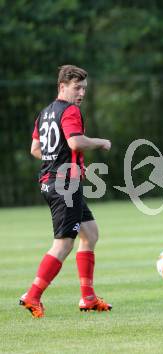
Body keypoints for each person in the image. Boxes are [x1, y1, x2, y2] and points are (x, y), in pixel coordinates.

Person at [20, 65, 112, 318]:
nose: (81, 93)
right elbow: (75, 142)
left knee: (90, 233)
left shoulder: (45, 112)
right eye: (76, 87)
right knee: (63, 244)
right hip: (64, 185)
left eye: (84, 88)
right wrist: (100, 142)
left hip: (55, 182)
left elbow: (35, 149)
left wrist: (55, 160)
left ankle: (88, 298)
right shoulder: (70, 110)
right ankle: (33, 295)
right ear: (62, 86)